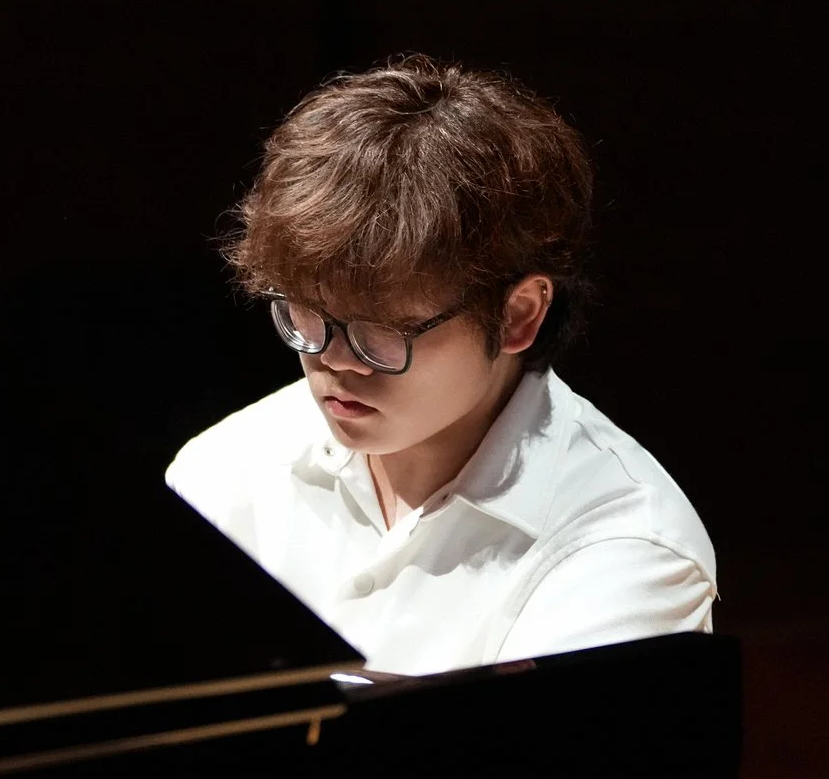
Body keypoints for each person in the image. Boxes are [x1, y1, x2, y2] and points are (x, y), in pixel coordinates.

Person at [165, 56, 715, 675]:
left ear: (518, 316)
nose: (333, 362)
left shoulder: (623, 550)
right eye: (305, 315)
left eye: (383, 331)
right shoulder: (222, 474)